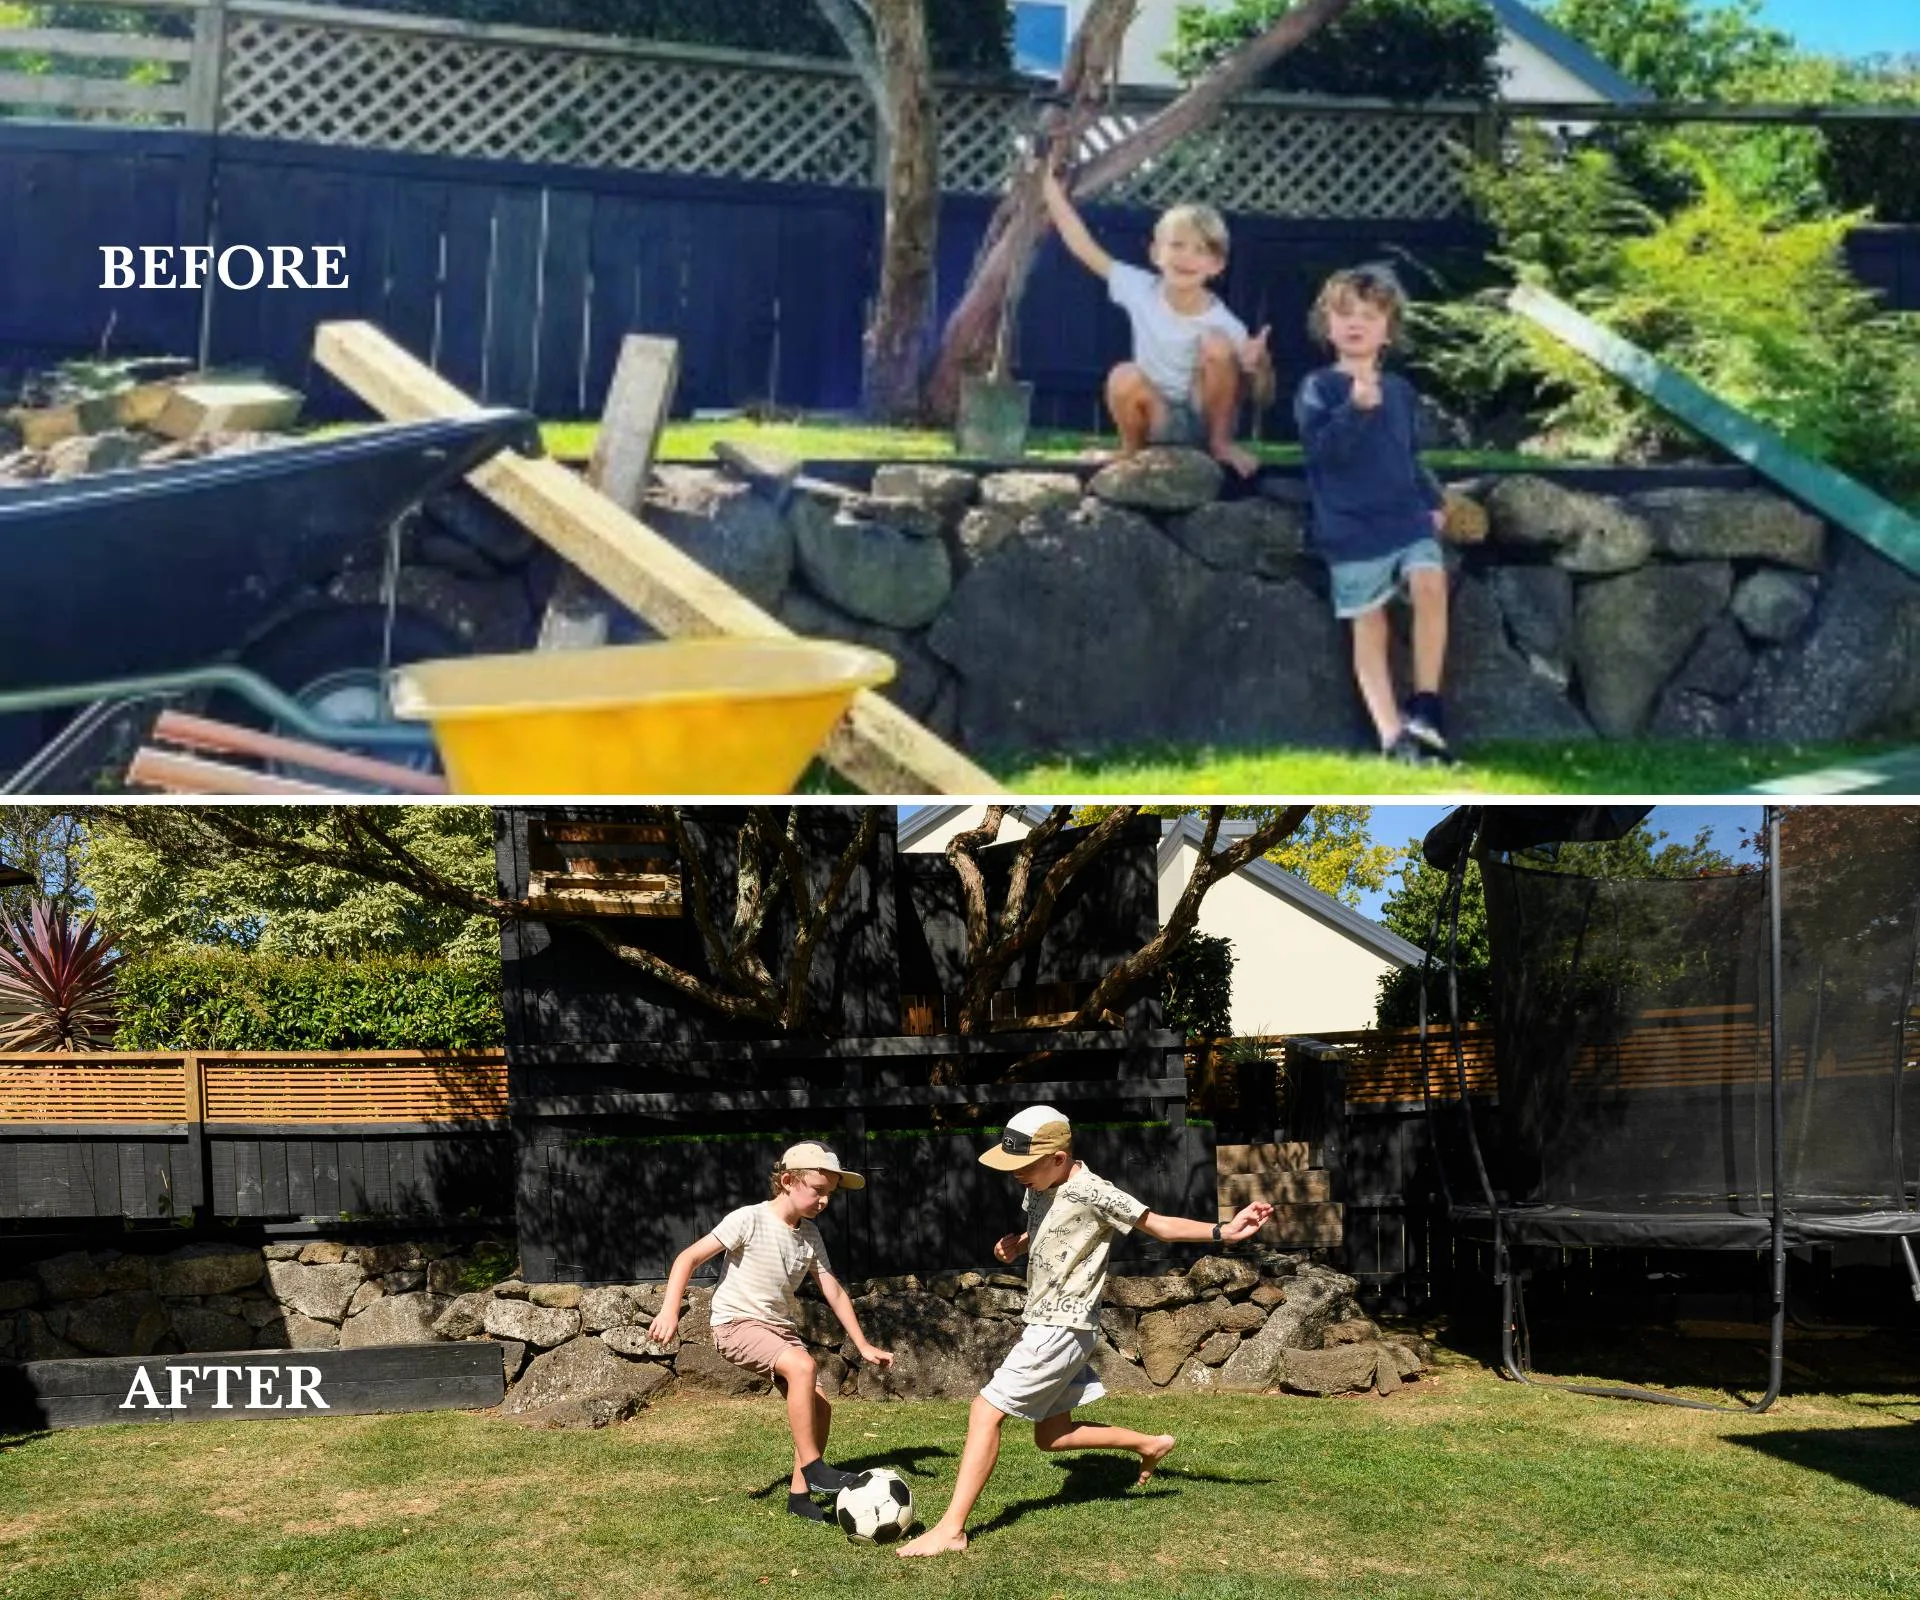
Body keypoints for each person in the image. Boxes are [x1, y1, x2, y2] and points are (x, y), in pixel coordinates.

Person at [897, 1105, 1274, 1558]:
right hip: (1050, 1323)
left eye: (1023, 1166)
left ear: (1058, 1158)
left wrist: (1224, 1230)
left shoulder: (1095, 1191)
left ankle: (951, 1530)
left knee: (984, 1411)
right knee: (1051, 1436)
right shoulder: (1039, 1187)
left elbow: (1159, 1225)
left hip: (1061, 1325)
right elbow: (1048, 1229)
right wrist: (1018, 1244)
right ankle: (1149, 1443)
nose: (1016, 1174)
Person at [647, 1141, 894, 1523]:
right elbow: (687, 1258)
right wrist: (669, 1311)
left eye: (829, 1194)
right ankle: (814, 1467)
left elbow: (832, 1289)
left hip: (779, 1330)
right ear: (788, 1181)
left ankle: (799, 1496)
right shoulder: (749, 1219)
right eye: (818, 1190)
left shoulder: (809, 1235)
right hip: (735, 1324)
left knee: (820, 1406)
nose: (824, 1201)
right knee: (802, 1366)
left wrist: (862, 1344)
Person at [1295, 264, 1454, 764]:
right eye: (1345, 314)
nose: (1356, 323)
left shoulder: (1402, 393)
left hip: (1406, 517)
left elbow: (1407, 456)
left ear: (1389, 329)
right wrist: (1354, 410)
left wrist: (1433, 502)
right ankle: (1391, 735)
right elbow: (1324, 456)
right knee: (1370, 623)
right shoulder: (1319, 388)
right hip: (1349, 526)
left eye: (1369, 315)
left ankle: (1426, 707)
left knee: (1431, 583)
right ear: (1328, 325)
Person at [1040, 166, 1272, 477]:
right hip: (1156, 417)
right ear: (1155, 253)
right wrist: (1050, 189)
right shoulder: (1139, 288)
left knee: (1217, 345)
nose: (1186, 257)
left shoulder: (1226, 323)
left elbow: (1263, 395)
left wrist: (1258, 366)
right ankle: (1132, 451)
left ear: (1216, 266)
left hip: (1202, 416)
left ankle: (1221, 444)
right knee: (1123, 375)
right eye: (1176, 245)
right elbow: (1083, 246)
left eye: (1200, 250)